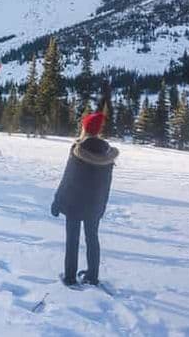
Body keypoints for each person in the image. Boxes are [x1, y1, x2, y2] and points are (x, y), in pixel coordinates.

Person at [51, 112, 117, 287]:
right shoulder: (107, 153)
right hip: (94, 206)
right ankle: (92, 276)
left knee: (72, 240)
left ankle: (70, 277)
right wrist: (102, 205)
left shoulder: (78, 150)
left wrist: (57, 200)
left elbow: (68, 178)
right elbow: (106, 184)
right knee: (92, 239)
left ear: (85, 128)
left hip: (74, 203)